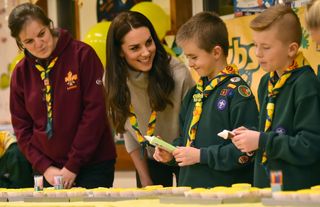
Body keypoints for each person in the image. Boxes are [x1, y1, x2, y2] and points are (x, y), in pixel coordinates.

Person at [8, 3, 116, 189]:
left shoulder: (82, 55)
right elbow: (22, 128)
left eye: (41, 34)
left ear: (50, 25)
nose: (39, 44)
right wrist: (45, 167)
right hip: (47, 171)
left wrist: (73, 164)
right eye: (29, 41)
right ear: (20, 43)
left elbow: (94, 113)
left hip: (93, 164)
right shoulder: (20, 74)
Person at [153, 11, 258, 188]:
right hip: (190, 190)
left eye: (194, 57)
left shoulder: (238, 93)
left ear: (216, 52)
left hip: (224, 193)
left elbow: (246, 152)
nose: (190, 64)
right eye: (187, 58)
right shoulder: (195, 93)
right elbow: (186, 141)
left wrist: (201, 156)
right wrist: (172, 153)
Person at [232, 4, 320, 191]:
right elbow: (270, 129)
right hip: (268, 184)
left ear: (291, 49)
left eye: (266, 47)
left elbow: (310, 145)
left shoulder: (306, 84)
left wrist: (262, 140)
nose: (257, 53)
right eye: (255, 45)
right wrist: (250, 137)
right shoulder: (266, 82)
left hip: (297, 192)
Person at [105, 11, 194, 187]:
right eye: (134, 48)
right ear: (120, 52)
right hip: (150, 158)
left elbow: (194, 126)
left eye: (148, 42)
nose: (146, 52)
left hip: (185, 154)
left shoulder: (178, 74)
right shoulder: (113, 80)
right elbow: (129, 129)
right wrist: (144, 177)